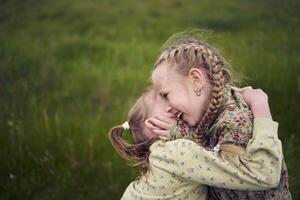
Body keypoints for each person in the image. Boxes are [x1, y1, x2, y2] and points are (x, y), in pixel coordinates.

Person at [150, 37, 291, 199]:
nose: (167, 107)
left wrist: (261, 107)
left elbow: (265, 173)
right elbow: (216, 160)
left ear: (196, 80)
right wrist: (183, 136)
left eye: (166, 95)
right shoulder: (210, 112)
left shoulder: (235, 122)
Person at [109, 86, 283, 199]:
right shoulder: (177, 152)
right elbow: (262, 174)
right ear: (154, 124)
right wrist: (260, 105)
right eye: (166, 97)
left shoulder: (162, 155)